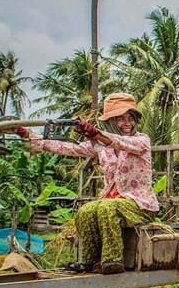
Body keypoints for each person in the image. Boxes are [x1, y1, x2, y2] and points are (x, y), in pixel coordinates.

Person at [16, 93, 158, 274]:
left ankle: (112, 260)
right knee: (86, 210)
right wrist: (28, 135)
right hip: (112, 201)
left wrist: (94, 133)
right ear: (111, 122)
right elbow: (69, 148)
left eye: (131, 118)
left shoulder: (141, 140)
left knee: (107, 207)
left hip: (140, 204)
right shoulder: (100, 146)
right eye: (121, 119)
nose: (127, 123)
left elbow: (120, 142)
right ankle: (90, 261)